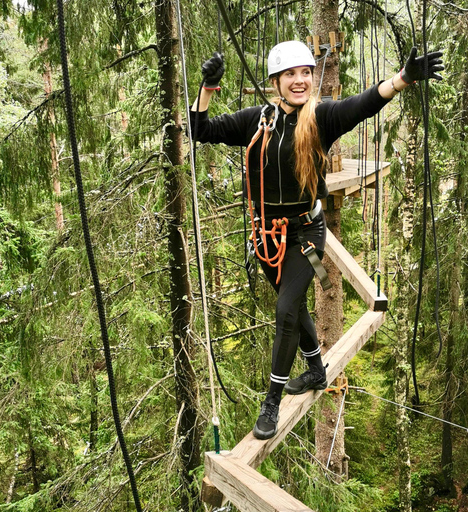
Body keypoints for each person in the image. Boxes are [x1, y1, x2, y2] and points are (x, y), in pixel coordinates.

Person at [190, 41, 443, 440]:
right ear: (276, 81)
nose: (299, 80)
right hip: (265, 238)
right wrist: (207, 87)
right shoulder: (256, 121)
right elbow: (200, 130)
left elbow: (361, 104)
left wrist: (403, 79)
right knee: (295, 310)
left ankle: (271, 401)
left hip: (305, 234)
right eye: (290, 74)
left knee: (286, 309)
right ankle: (315, 369)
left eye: (305, 73)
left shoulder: (320, 118)